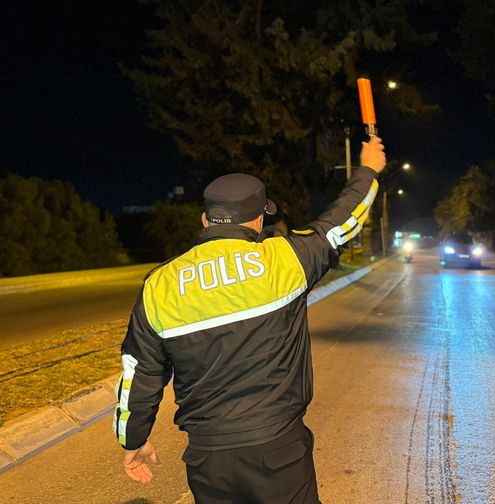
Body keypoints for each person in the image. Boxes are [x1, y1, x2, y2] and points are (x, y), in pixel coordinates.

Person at [114, 136, 386, 503]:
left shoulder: (159, 285)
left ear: (206, 219)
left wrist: (134, 440)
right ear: (258, 220)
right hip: (278, 452)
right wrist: (368, 170)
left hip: (207, 460)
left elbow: (139, 371)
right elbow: (342, 222)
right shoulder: (286, 258)